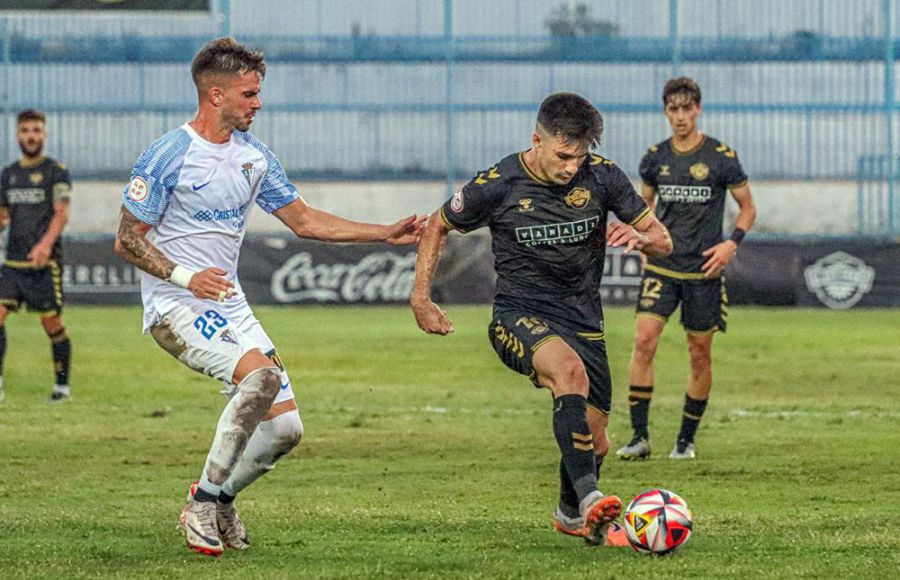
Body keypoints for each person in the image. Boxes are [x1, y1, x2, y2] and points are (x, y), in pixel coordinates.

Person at [114, 37, 424, 557]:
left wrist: (383, 232)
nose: (258, 103)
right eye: (250, 94)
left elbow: (303, 220)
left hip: (228, 304)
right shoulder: (170, 154)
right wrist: (188, 278)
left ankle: (219, 496)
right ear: (215, 95)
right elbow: (126, 239)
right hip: (177, 305)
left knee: (285, 429)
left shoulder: (254, 157)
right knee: (261, 377)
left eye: (258, 94)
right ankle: (202, 506)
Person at [410, 93, 672, 547]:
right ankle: (593, 500)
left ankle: (571, 515)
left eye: (580, 155)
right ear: (537, 140)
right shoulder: (498, 183)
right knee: (567, 373)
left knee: (597, 443)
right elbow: (436, 224)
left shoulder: (604, 176)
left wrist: (641, 237)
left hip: (584, 321)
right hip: (518, 315)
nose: (572, 166)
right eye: (563, 155)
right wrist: (421, 297)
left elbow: (663, 240)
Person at [616, 77, 757, 461]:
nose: (680, 116)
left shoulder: (721, 157)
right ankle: (640, 437)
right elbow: (641, 209)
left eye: (686, 108)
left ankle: (685, 441)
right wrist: (642, 240)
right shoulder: (654, 159)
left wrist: (731, 244)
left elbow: (748, 207)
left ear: (698, 109)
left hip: (703, 274)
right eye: (673, 109)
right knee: (644, 343)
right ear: (666, 111)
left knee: (699, 355)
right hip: (662, 269)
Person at [0, 109, 73, 403]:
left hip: (45, 263)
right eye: (26, 130)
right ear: (18, 135)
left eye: (36, 130)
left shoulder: (56, 171)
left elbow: (62, 213)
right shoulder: (8, 175)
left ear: (44, 135)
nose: (31, 136)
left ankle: (62, 387)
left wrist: (45, 245)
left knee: (51, 324)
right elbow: (3, 216)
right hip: (13, 263)